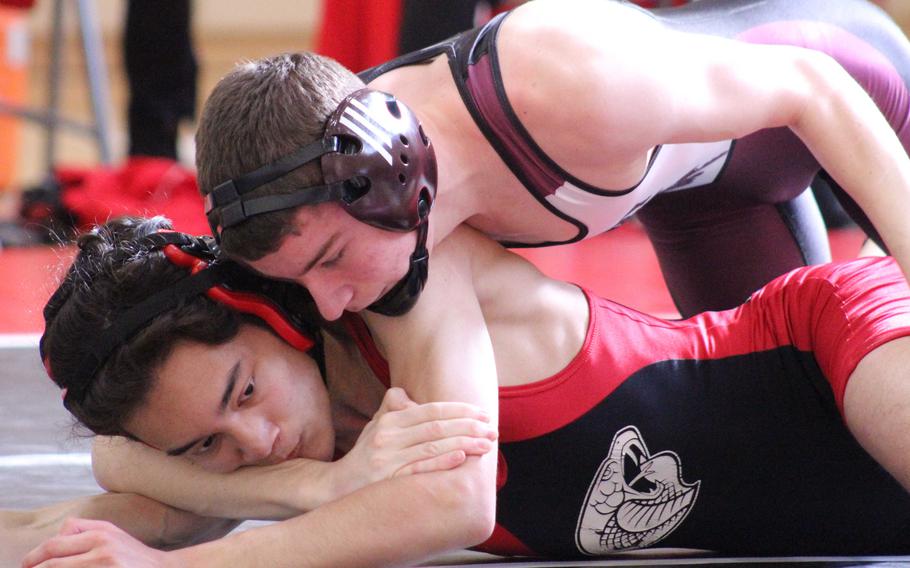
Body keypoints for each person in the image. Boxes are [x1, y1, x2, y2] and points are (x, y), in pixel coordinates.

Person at [21, 216, 910, 565]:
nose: (251, 442)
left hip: (824, 356)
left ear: (275, 312)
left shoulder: (403, 288)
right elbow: (118, 480)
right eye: (205, 447)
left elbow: (454, 503)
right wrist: (302, 487)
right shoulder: (319, 459)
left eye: (244, 391)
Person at [197, 0, 910, 321]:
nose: (329, 304)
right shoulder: (336, 188)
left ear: (386, 167)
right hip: (707, 198)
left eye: (326, 261)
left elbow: (815, 89)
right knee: (799, 438)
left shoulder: (562, 76)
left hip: (853, 84)